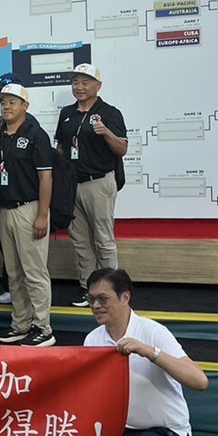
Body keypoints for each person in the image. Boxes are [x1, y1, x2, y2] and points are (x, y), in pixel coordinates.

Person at [83, 268, 208, 436]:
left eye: (103, 299)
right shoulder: (92, 340)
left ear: (125, 298)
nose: (95, 305)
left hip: (164, 432)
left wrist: (150, 352)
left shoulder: (153, 332)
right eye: (91, 299)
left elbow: (200, 381)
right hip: (121, 432)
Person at [55, 63, 127, 306]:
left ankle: (111, 290)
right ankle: (88, 288)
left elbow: (122, 148)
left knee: (103, 240)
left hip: (99, 183)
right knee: (80, 240)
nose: (79, 87)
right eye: (76, 82)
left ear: (98, 86)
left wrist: (106, 132)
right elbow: (61, 148)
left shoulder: (109, 112)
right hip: (72, 185)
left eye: (85, 82)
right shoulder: (66, 113)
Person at [0, 84, 55, 347]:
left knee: (34, 271)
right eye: (3, 102)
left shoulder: (36, 134)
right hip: (4, 210)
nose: (6, 106)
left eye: (12, 102)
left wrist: (42, 215)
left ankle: (43, 328)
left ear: (24, 106)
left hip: (29, 208)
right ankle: (20, 324)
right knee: (14, 273)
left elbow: (46, 177)